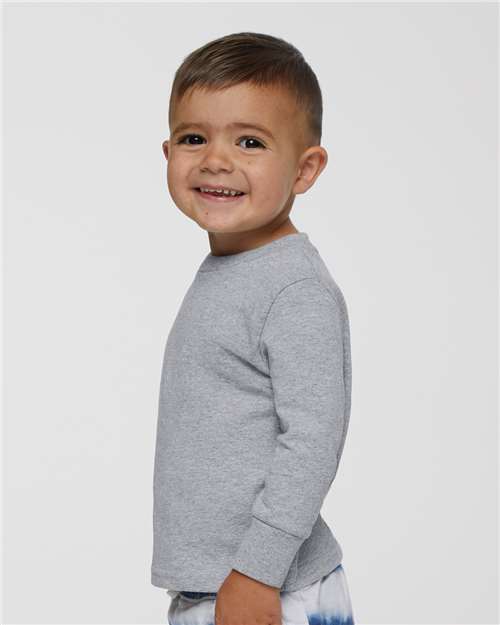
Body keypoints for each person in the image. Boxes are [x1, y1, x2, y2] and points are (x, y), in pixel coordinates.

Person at [151, 31, 355, 625]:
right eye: (194, 138)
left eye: (250, 141)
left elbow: (312, 441)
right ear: (167, 152)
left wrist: (258, 572)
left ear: (305, 169)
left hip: (267, 590)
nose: (216, 160)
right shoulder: (233, 268)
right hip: (217, 587)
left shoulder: (294, 288)